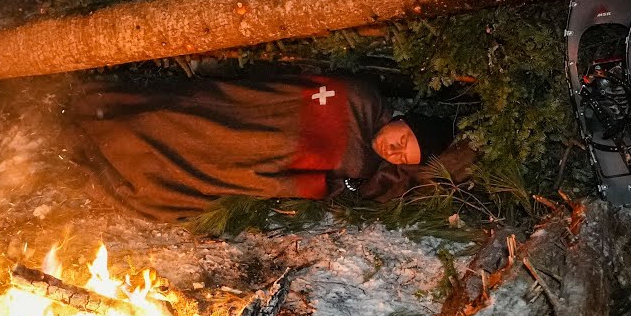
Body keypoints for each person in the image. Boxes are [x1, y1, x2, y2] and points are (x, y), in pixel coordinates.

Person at [71, 69, 476, 221]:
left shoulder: (368, 172)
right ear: (402, 120)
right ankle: (105, 123)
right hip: (248, 112)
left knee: (192, 165)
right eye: (402, 140)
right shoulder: (359, 98)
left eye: (404, 155)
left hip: (259, 157)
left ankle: (112, 150)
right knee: (175, 119)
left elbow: (319, 181)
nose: (394, 150)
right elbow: (286, 92)